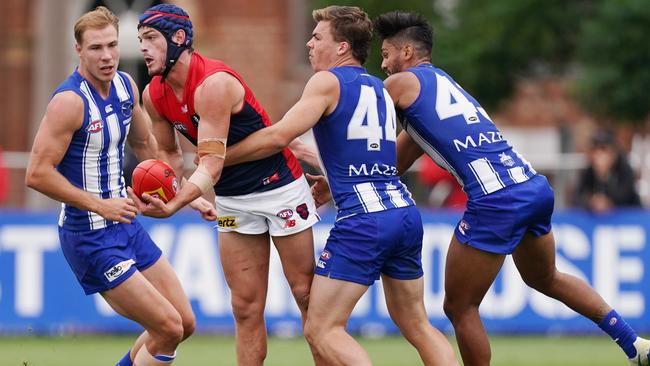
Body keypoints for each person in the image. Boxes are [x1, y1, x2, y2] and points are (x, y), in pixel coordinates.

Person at [373, 10, 650, 366]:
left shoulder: (402, 83)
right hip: (532, 187)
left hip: (496, 198)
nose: (383, 66)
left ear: (407, 52)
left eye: (385, 54)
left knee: (459, 306)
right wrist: (332, 189)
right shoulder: (441, 87)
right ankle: (634, 345)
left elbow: (357, 117)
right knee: (545, 277)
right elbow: (392, 161)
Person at [224, 5, 459, 366]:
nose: (308, 44)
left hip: (365, 221)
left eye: (317, 37)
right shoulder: (381, 89)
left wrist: (216, 159)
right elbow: (369, 156)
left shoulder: (326, 81)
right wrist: (333, 183)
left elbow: (279, 136)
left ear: (342, 47)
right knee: (417, 324)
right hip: (404, 213)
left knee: (321, 328)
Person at [130, 4, 323, 365]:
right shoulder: (153, 94)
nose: (143, 47)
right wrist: (171, 192)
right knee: (245, 308)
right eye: (141, 39)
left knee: (306, 294)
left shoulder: (213, 85)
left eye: (151, 38)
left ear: (178, 39)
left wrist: (174, 205)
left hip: (280, 187)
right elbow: (170, 157)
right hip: (233, 203)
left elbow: (212, 165)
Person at [24, 7, 210, 366]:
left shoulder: (126, 85)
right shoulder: (69, 102)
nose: (107, 55)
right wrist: (99, 204)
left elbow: (144, 147)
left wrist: (181, 192)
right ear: (78, 50)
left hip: (124, 224)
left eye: (112, 45)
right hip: (89, 236)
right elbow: (36, 173)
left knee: (183, 323)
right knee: (167, 328)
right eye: (96, 48)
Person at [576, 129, 641, 213]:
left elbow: (626, 194)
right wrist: (592, 201)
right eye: (596, 151)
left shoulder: (624, 168)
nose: (599, 156)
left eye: (604, 150)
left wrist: (608, 201)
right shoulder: (588, 171)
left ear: (613, 153)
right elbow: (579, 194)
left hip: (627, 217)